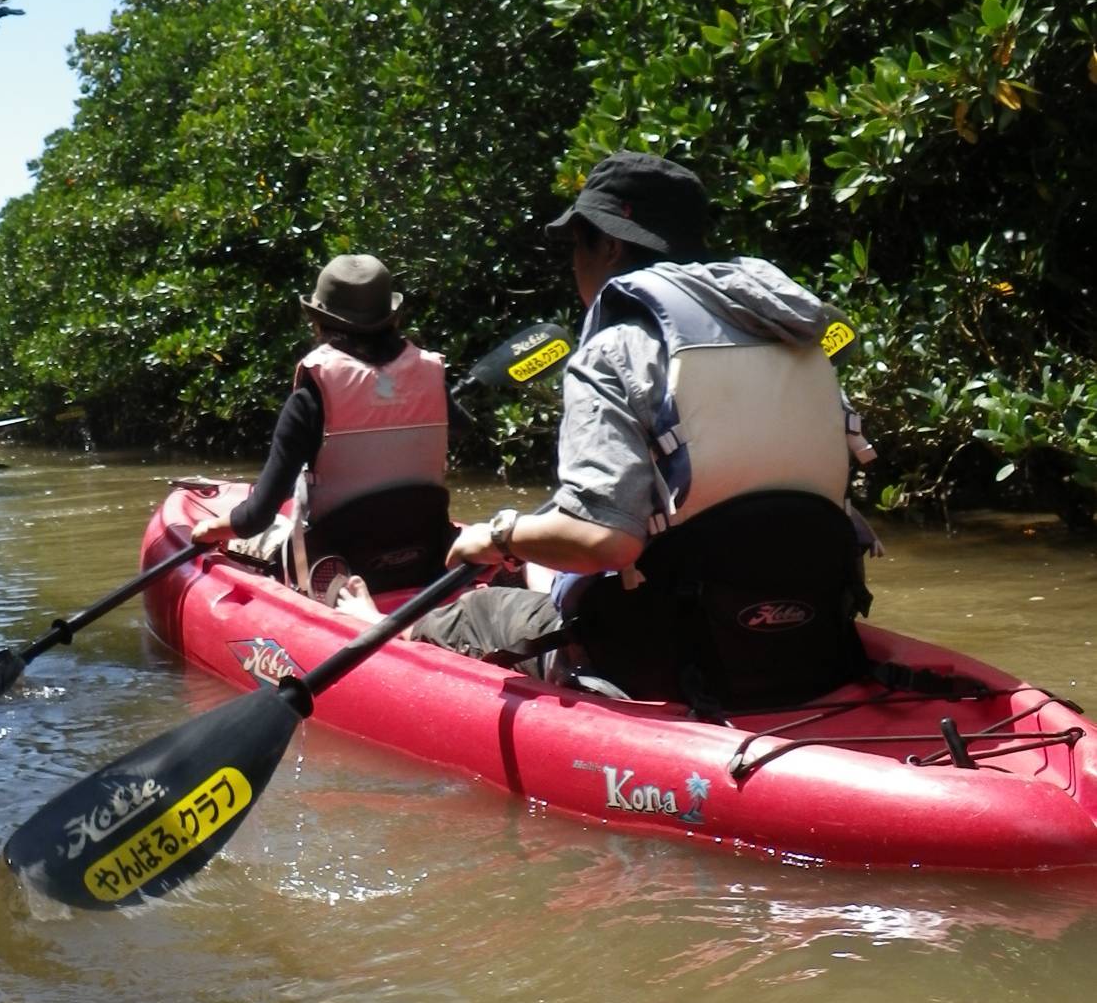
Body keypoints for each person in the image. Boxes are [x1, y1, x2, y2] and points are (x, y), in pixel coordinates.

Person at [338, 153, 875, 711]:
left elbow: (606, 542)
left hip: (671, 655)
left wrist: (496, 537)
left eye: (577, 243)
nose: (573, 263)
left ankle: (374, 631)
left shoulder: (615, 350)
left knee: (475, 611)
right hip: (807, 642)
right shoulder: (794, 337)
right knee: (546, 568)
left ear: (611, 246)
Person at [191, 254, 465, 595]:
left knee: (268, 539)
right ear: (393, 317)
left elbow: (256, 518)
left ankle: (317, 586)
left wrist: (208, 530)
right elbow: (459, 428)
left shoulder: (312, 394)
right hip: (427, 558)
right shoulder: (432, 377)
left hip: (346, 566)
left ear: (318, 322)